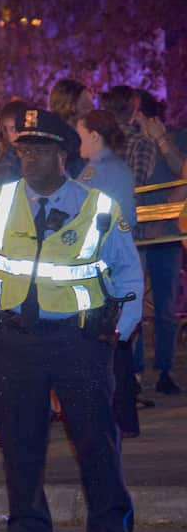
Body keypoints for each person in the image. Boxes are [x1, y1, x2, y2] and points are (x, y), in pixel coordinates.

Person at [0, 108, 141, 532]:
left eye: (40, 151)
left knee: (95, 440)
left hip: (79, 342)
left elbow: (128, 275)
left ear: (62, 155)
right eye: (24, 150)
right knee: (20, 443)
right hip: (17, 341)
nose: (29, 159)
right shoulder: (1, 204)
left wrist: (117, 335)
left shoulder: (98, 207)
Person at [103, 86, 181, 394]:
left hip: (166, 234)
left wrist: (162, 140)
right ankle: (133, 371)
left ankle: (165, 369)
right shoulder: (122, 145)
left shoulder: (169, 139)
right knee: (132, 299)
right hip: (137, 235)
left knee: (164, 305)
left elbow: (183, 174)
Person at [76, 109, 140, 440]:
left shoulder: (110, 171)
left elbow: (120, 220)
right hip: (99, 269)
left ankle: (121, 419)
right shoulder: (95, 169)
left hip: (109, 270)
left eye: (81, 135)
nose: (78, 143)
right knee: (111, 348)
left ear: (95, 136)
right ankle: (119, 418)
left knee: (114, 346)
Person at [0, 100, 31, 198]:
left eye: (13, 129)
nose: (10, 135)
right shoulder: (6, 158)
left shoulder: (40, 156)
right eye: (5, 129)